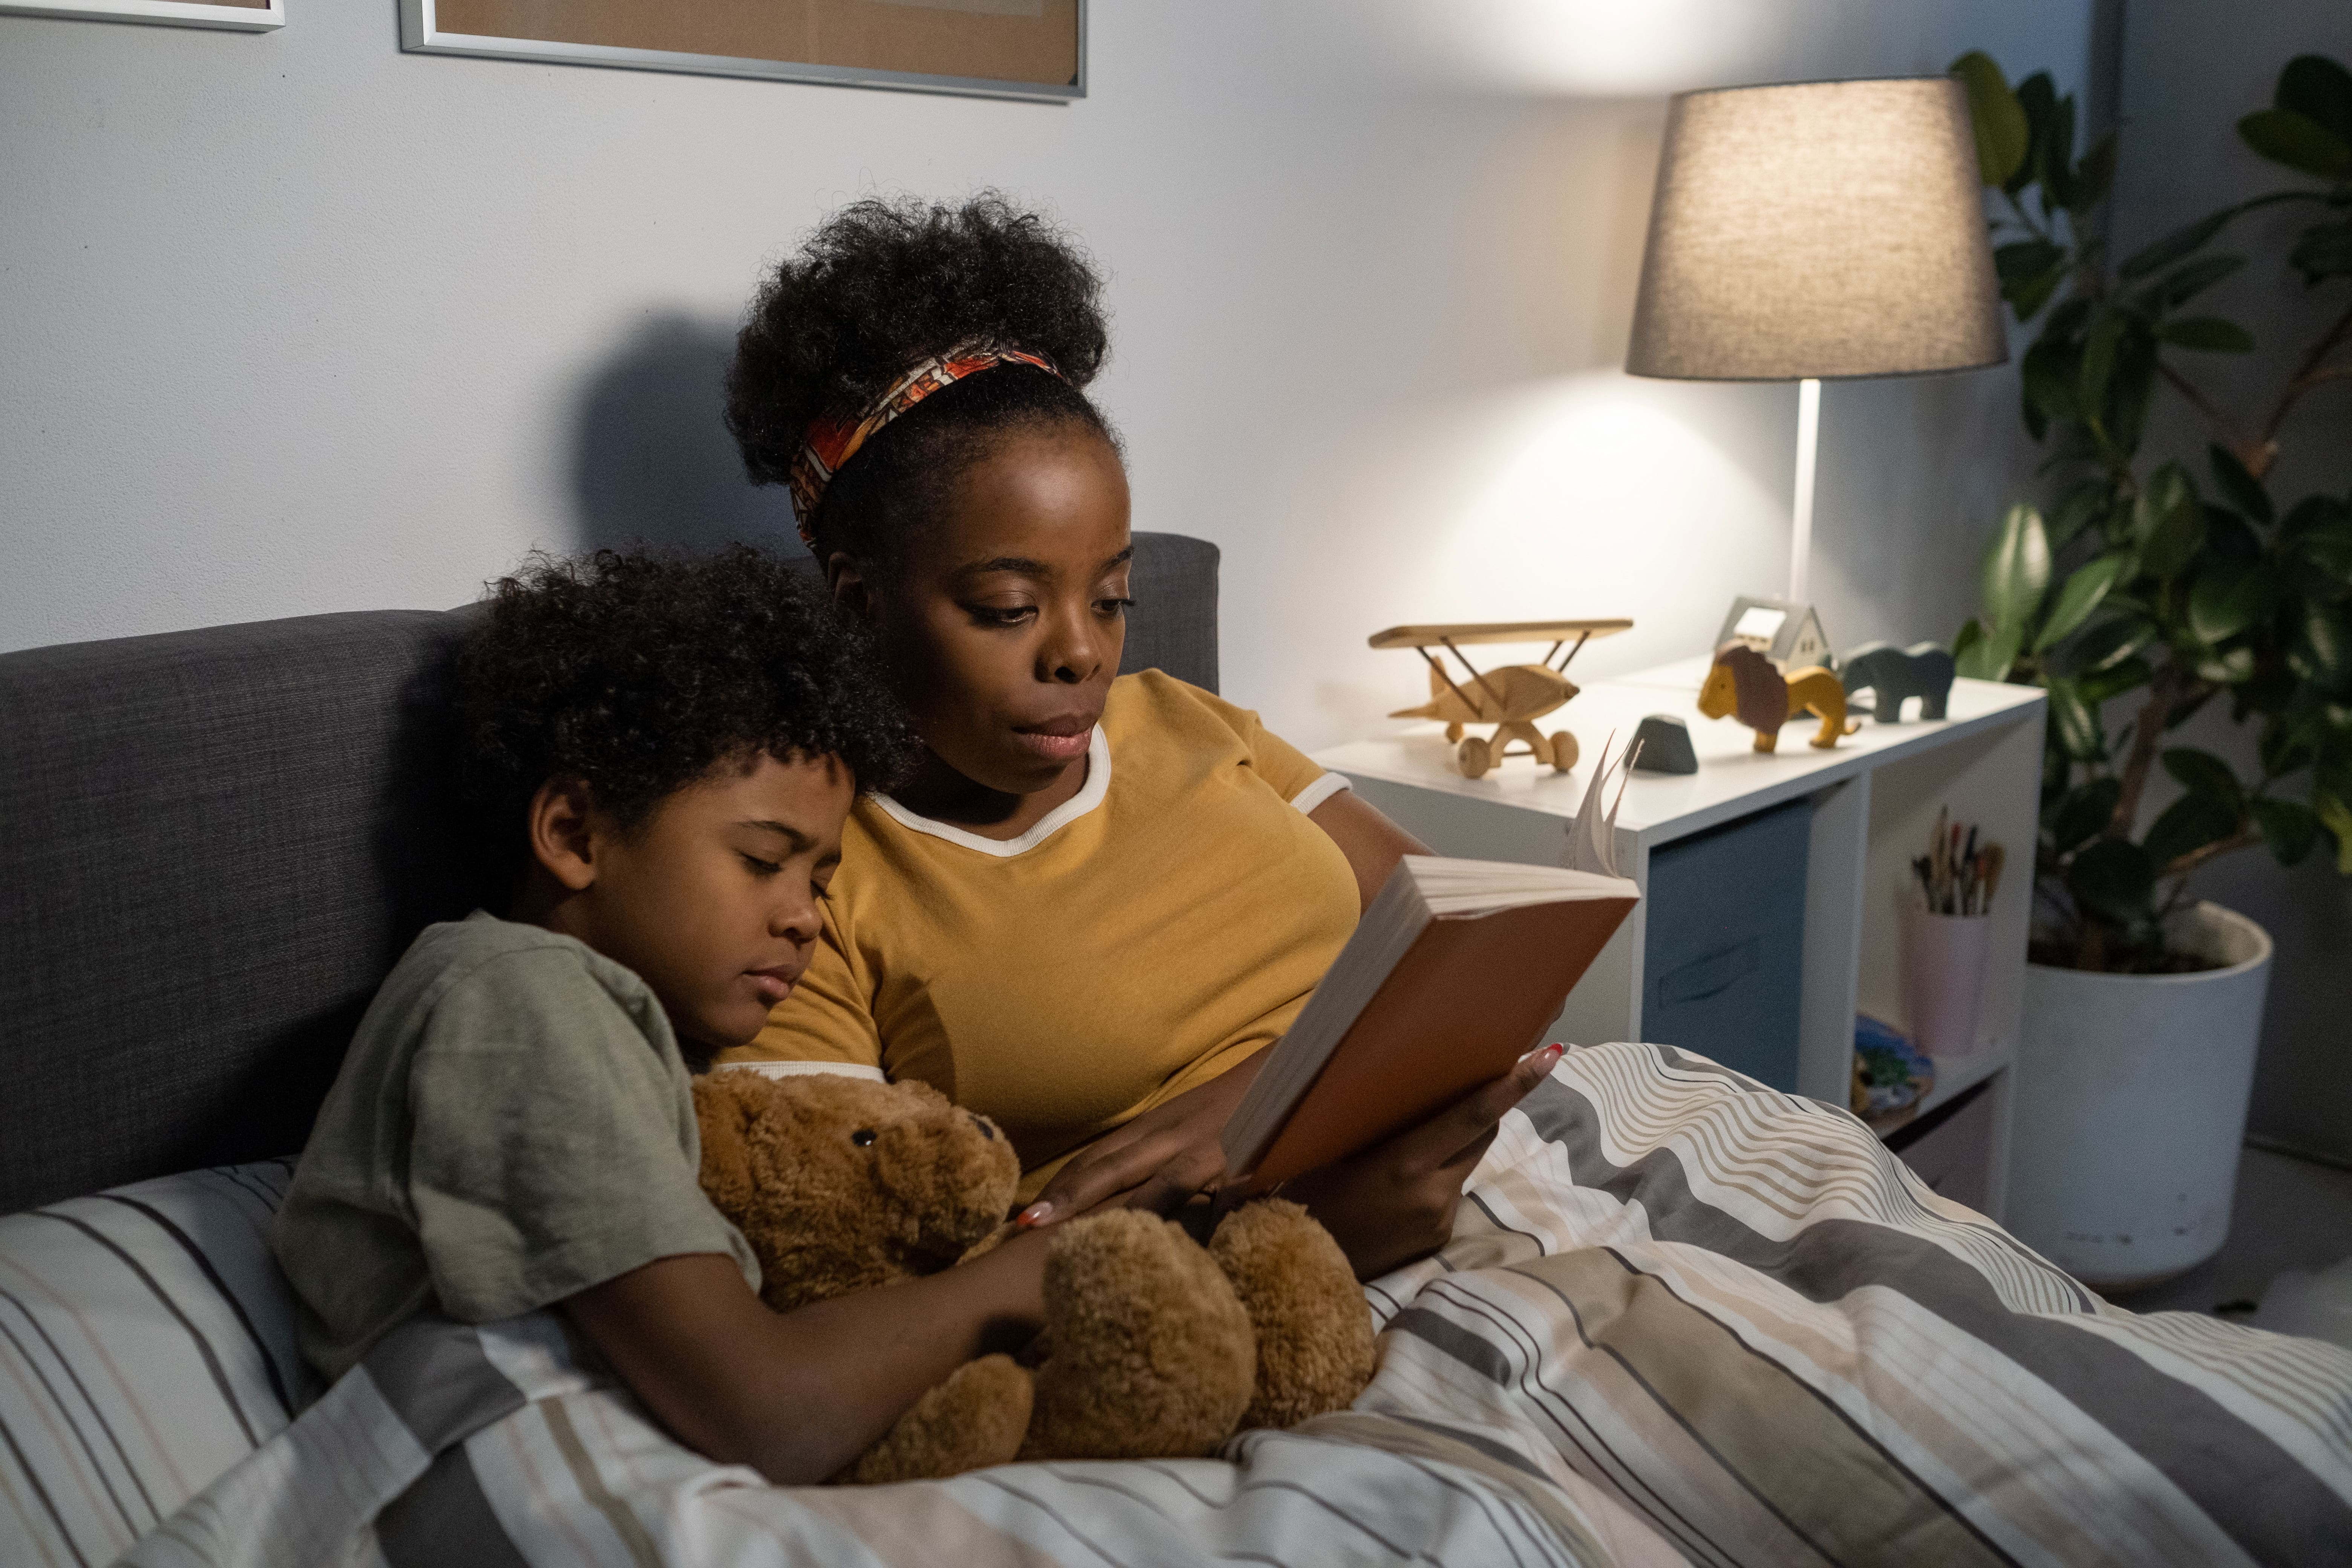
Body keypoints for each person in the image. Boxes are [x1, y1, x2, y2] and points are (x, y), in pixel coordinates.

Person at [721, 198, 1558, 1280]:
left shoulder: (1188, 721)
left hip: (1475, 1170)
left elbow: (1485, 954)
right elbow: (842, 1266)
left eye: (1110, 597)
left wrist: (1253, 1102)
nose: (1082, 656)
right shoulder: (809, 881)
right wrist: (1294, 1213)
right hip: (1187, 1287)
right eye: (1010, 608)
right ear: (859, 605)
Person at [271, 546, 1059, 1485]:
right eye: (764, 860)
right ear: (574, 833)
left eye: (820, 878)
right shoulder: (516, 997)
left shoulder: (624, 1031)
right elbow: (766, 1409)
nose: (805, 914)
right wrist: (1034, 1274)